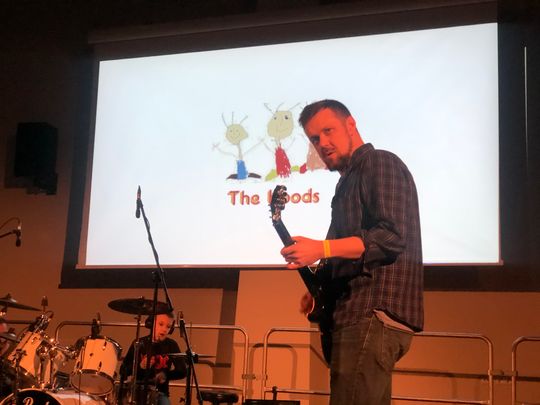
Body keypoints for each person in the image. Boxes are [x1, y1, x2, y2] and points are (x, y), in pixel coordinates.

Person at [280, 99, 424, 404]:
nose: (322, 144)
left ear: (350, 124)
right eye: (315, 139)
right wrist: (321, 285)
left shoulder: (378, 162)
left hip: (370, 310)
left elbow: (390, 236)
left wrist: (321, 248)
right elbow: (351, 249)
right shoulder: (346, 183)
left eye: (328, 131)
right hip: (359, 314)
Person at [121, 313, 187, 405]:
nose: (164, 329)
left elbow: (182, 371)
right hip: (137, 392)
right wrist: (140, 366)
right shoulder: (139, 343)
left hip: (160, 393)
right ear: (151, 323)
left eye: (168, 327)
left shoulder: (171, 345)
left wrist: (166, 375)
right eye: (161, 324)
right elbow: (123, 370)